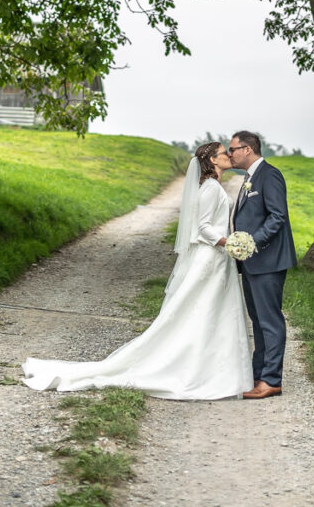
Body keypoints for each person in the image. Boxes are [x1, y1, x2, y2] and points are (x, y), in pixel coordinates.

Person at [21, 141, 253, 399]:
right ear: (212, 160)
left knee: (211, 311)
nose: (229, 156)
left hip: (217, 259)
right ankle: (194, 368)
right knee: (196, 311)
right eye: (224, 153)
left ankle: (213, 369)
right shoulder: (209, 188)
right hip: (210, 256)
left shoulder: (212, 186)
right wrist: (228, 242)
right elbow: (203, 227)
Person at [228, 130, 297, 399]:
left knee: (270, 321)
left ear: (247, 149)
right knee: (257, 321)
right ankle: (258, 376)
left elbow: (277, 217)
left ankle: (271, 380)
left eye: (233, 149)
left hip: (268, 260)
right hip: (252, 263)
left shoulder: (270, 175)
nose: (230, 153)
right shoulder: (249, 178)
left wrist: (250, 242)